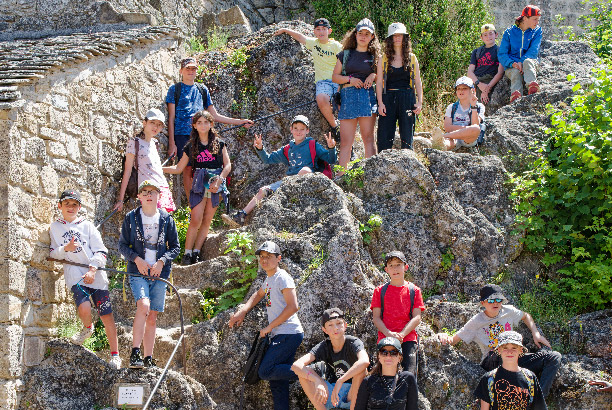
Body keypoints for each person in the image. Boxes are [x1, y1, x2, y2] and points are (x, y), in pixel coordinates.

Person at [437, 284, 562, 397]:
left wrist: (536, 334)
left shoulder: (509, 311)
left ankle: (538, 398)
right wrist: (443, 335)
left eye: (498, 299)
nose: (495, 303)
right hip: (493, 361)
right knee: (499, 352)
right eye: (491, 300)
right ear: (483, 303)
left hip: (514, 357)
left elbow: (526, 316)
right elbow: (454, 340)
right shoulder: (476, 321)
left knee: (553, 357)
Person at [49, 189, 121, 369]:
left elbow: (101, 250)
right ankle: (87, 328)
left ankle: (115, 355)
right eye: (67, 204)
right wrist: (66, 247)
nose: (70, 207)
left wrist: (93, 269)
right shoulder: (55, 227)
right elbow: (53, 253)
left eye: (74, 204)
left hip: (95, 275)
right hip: (75, 274)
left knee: (106, 315)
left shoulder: (87, 226)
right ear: (60, 206)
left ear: (79, 207)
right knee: (84, 306)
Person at [228, 241, 304, 410]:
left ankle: (311, 371)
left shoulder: (282, 277)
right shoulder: (269, 279)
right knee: (278, 383)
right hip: (281, 334)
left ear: (279, 258)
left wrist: (269, 328)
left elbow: (293, 306)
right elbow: (258, 294)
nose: (264, 260)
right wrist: (244, 310)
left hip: (289, 333)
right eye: (262, 257)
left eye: (269, 256)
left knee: (266, 370)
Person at [223, 115, 336, 227]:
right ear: (291, 129)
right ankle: (241, 216)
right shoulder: (287, 149)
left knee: (305, 170)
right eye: (296, 128)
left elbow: (331, 159)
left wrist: (331, 148)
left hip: (307, 180)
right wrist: (260, 148)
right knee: (263, 190)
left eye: (302, 129)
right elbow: (268, 159)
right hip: (289, 182)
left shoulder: (313, 145)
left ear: (307, 131)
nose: (299, 131)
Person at [165, 57, 253, 199]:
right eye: (188, 68)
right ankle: (192, 204)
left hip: (201, 135)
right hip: (182, 135)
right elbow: (171, 118)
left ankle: (205, 200)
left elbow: (214, 115)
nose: (191, 71)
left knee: (203, 168)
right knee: (187, 169)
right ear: (181, 71)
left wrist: (240, 122)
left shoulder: (202, 89)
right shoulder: (175, 89)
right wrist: (172, 143)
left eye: (193, 68)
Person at [118, 180, 180, 369]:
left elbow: (175, 247)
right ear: (139, 197)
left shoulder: (166, 219)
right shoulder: (131, 218)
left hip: (160, 273)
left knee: (152, 315)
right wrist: (137, 259)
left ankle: (148, 357)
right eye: (144, 192)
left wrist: (161, 262)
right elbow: (122, 245)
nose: (148, 195)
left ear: (159, 196)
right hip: (138, 271)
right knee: (143, 305)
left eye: (152, 191)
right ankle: (135, 351)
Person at [163, 110, 231, 265]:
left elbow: (227, 165)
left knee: (207, 220)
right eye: (199, 122)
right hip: (199, 184)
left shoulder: (220, 144)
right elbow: (179, 168)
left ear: (211, 124)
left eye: (206, 122)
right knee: (196, 219)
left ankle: (196, 252)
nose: (202, 125)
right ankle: (187, 254)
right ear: (194, 125)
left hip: (216, 183)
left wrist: (219, 181)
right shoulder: (191, 146)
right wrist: (158, 169)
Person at [274, 18, 343, 139]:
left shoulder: (336, 46)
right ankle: (335, 127)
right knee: (321, 99)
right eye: (318, 29)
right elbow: (300, 37)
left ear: (329, 31)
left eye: (324, 29)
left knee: (342, 102)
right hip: (323, 82)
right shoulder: (314, 43)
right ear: (314, 31)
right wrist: (285, 30)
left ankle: (346, 129)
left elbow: (346, 62)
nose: (321, 32)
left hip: (338, 79)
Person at [291, 308, 370, 410]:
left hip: (353, 392)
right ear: (324, 330)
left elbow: (365, 361)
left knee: (361, 370)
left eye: (338, 323)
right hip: (333, 393)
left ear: (345, 325)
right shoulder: (323, 346)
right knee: (304, 374)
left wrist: (341, 380)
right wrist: (317, 381)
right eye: (330, 325)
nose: (335, 328)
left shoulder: (353, 342)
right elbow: (296, 365)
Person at [332, 18, 380, 173]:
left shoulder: (375, 56)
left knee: (368, 139)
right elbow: (335, 77)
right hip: (348, 96)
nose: (363, 36)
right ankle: (341, 177)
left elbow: (382, 77)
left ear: (372, 37)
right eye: (360, 33)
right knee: (346, 142)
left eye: (367, 34)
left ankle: (371, 174)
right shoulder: (345, 54)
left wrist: (373, 76)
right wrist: (350, 80)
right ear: (355, 35)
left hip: (367, 96)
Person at [371, 251, 425, 377]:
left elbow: (417, 317)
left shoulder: (414, 291)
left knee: (409, 375)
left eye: (398, 264)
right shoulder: (379, 291)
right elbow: (376, 317)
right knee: (383, 374)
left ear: (406, 267)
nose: (395, 269)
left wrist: (401, 335)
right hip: (385, 337)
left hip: (408, 338)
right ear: (386, 269)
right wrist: (389, 334)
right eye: (391, 265)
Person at [114, 108, 175, 213]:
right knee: (156, 221)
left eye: (159, 124)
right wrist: (120, 199)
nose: (156, 127)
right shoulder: (134, 142)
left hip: (162, 187)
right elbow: (127, 171)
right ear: (144, 123)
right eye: (152, 123)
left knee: (163, 223)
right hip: (148, 190)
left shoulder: (155, 143)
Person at [375, 22, 423, 151]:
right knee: (384, 136)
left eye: (400, 35)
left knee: (407, 137)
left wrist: (419, 102)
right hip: (388, 98)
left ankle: (407, 164)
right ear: (390, 39)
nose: (397, 38)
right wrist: (380, 103)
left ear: (404, 38)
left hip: (407, 98)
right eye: (394, 36)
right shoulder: (383, 58)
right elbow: (379, 83)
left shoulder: (412, 58)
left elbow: (418, 81)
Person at [474, 331, 547, 410]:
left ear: (520, 350)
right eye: (505, 348)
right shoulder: (489, 379)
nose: (509, 352)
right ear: (499, 350)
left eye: (514, 348)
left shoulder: (530, 378)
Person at [354, 337, 418, 410]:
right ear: (379, 357)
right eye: (384, 352)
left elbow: (413, 407)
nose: (388, 356)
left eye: (393, 352)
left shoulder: (407, 379)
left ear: (399, 357)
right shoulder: (368, 381)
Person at [498, 5, 543, 103]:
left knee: (527, 62)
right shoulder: (509, 32)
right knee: (515, 72)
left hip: (530, 62)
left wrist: (521, 62)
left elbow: (533, 51)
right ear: (525, 18)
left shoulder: (537, 31)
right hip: (512, 66)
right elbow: (502, 54)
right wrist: (513, 63)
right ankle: (516, 97)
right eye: (535, 19)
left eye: (538, 19)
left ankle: (532, 87)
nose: (537, 22)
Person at [431, 76, 485, 151]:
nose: (461, 91)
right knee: (445, 144)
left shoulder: (479, 106)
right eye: (458, 88)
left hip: (468, 138)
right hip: (453, 137)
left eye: (464, 88)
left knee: (475, 128)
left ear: (472, 90)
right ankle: (435, 144)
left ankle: (443, 136)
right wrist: (465, 129)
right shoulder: (451, 107)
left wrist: (473, 106)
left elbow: (475, 125)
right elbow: (447, 127)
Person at [467, 24, 505, 105]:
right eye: (485, 35)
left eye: (491, 33)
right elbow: (470, 72)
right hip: (476, 82)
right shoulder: (476, 52)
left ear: (496, 35)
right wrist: (479, 84)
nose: (488, 37)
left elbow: (500, 72)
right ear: (481, 37)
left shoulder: (500, 51)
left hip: (490, 81)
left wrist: (487, 88)